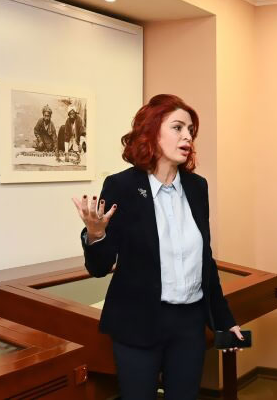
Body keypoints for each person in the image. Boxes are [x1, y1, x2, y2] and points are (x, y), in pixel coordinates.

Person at [73, 94, 243, 400]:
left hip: (189, 325)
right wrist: (96, 235)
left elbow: (205, 261)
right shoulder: (121, 187)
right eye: (178, 128)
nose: (187, 136)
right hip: (138, 322)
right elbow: (99, 267)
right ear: (151, 132)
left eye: (191, 130)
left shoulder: (197, 187)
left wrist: (224, 321)